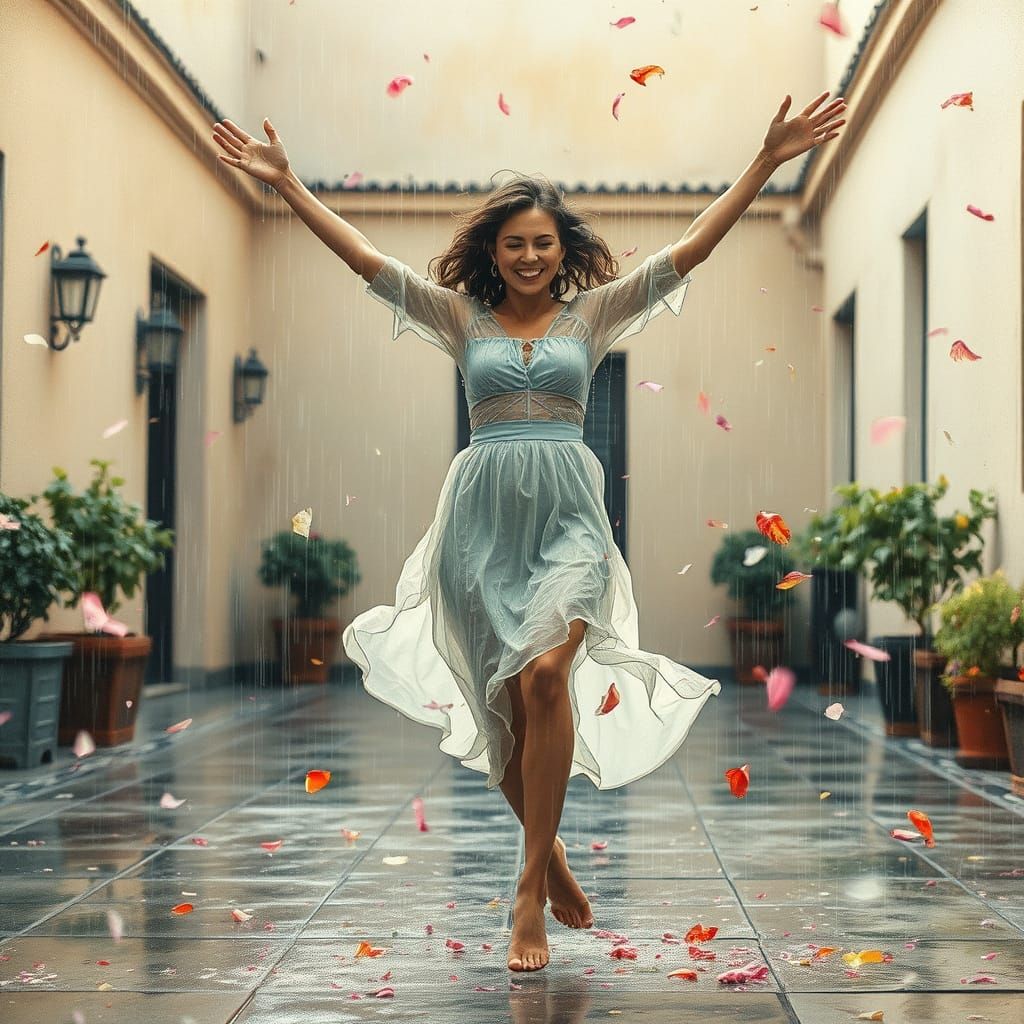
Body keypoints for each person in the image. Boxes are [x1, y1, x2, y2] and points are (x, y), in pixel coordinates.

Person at [211, 90, 846, 973]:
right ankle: (551, 857)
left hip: (569, 519)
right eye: (515, 243)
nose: (530, 256)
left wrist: (767, 163)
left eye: (544, 242)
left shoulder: (594, 315)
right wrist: (288, 185)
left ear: (563, 250)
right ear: (493, 252)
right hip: (477, 524)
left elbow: (689, 249)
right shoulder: (457, 316)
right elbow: (363, 258)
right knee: (503, 707)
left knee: (550, 675)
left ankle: (523, 891)